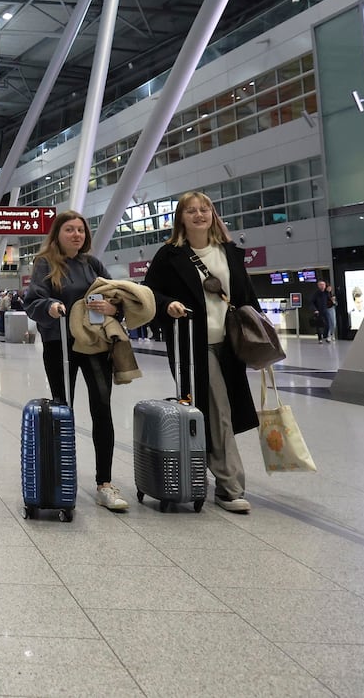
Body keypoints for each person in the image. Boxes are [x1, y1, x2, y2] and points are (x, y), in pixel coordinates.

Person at [143, 191, 261, 514]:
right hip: (192, 345)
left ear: (212, 214)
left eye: (204, 209)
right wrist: (168, 305)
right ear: (181, 217)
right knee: (218, 409)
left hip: (231, 344)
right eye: (191, 211)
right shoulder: (169, 256)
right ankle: (230, 485)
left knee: (225, 410)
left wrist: (260, 335)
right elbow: (149, 292)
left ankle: (207, 469)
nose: (199, 215)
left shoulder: (229, 253)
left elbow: (247, 295)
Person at [22, 210, 129, 513]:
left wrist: (112, 307)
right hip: (60, 345)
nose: (76, 235)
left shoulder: (92, 264)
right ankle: (59, 478)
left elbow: (115, 296)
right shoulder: (45, 263)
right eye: (69, 230)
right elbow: (33, 301)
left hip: (94, 343)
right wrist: (51, 306)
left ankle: (104, 484)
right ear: (57, 234)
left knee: (102, 408)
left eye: (80, 230)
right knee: (61, 409)